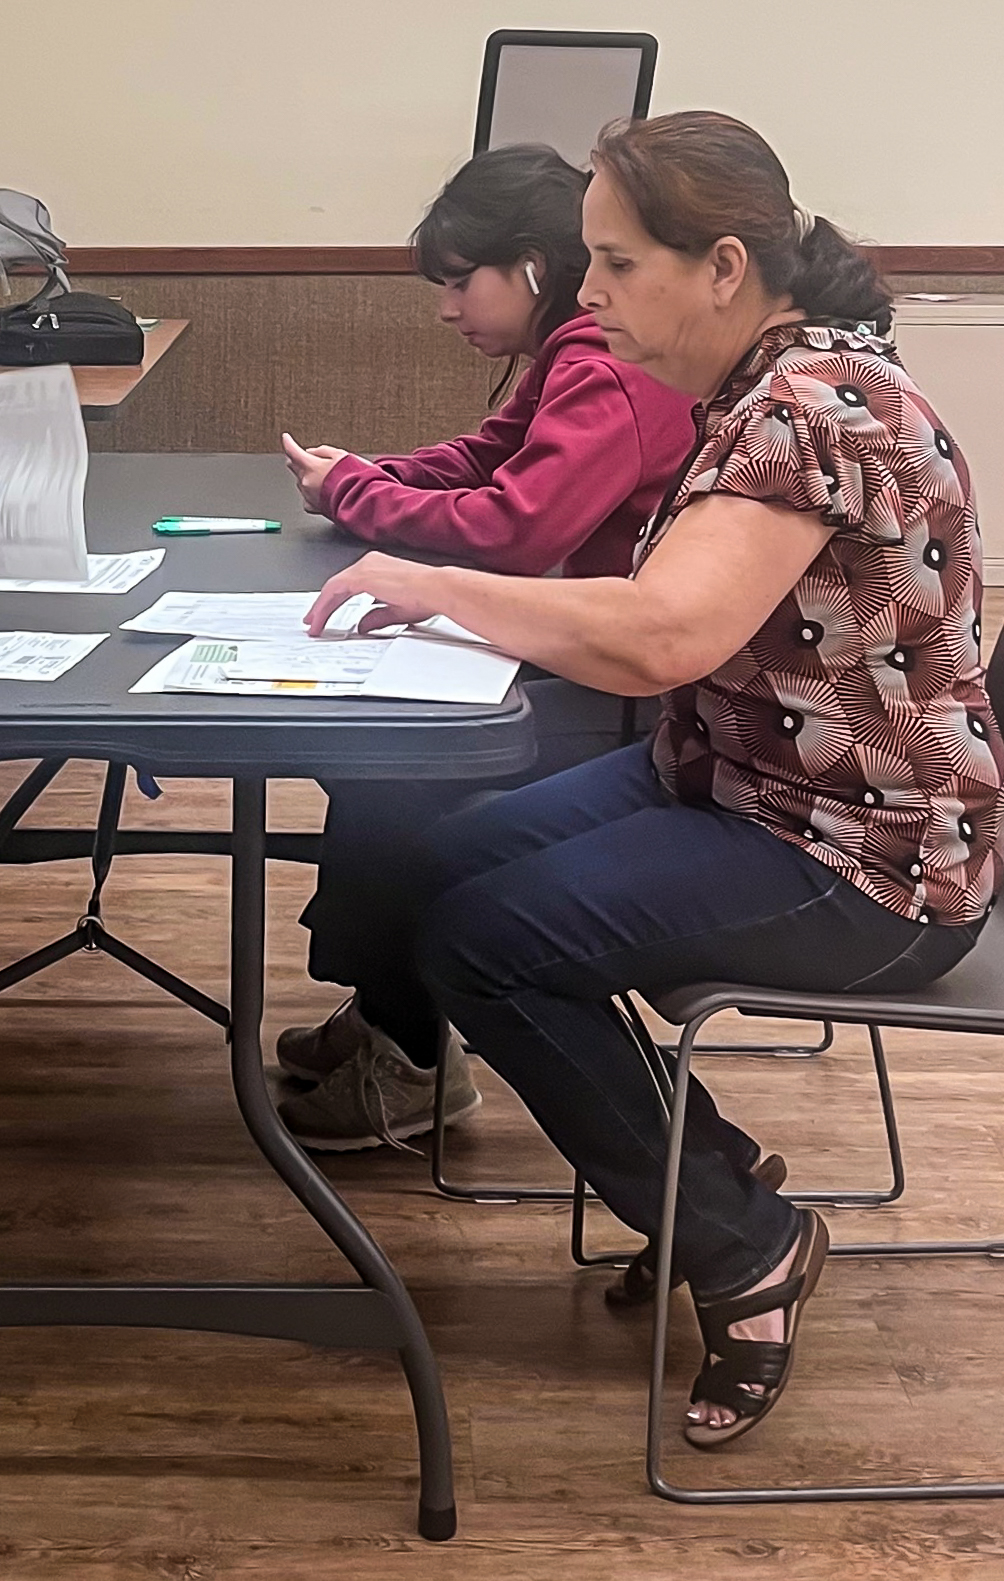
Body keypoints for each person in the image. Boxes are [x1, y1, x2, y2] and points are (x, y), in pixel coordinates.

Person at [302, 110, 1004, 1447]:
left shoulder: (804, 409)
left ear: (724, 266)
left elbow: (664, 636)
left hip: (868, 851)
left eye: (618, 264)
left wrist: (435, 583)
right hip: (753, 779)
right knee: (445, 862)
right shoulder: (777, 377)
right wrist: (450, 586)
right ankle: (709, 1175)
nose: (593, 292)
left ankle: (741, 1241)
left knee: (486, 946)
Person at [270, 144, 695, 1150]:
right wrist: (365, 475)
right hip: (591, 651)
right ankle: (387, 1016)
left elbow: (518, 527)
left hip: (633, 693)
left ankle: (411, 1053)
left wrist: (358, 495)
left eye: (462, 279)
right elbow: (487, 456)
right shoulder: (570, 354)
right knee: (375, 745)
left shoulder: (604, 364)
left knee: (395, 771)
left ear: (534, 270)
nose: (447, 305)